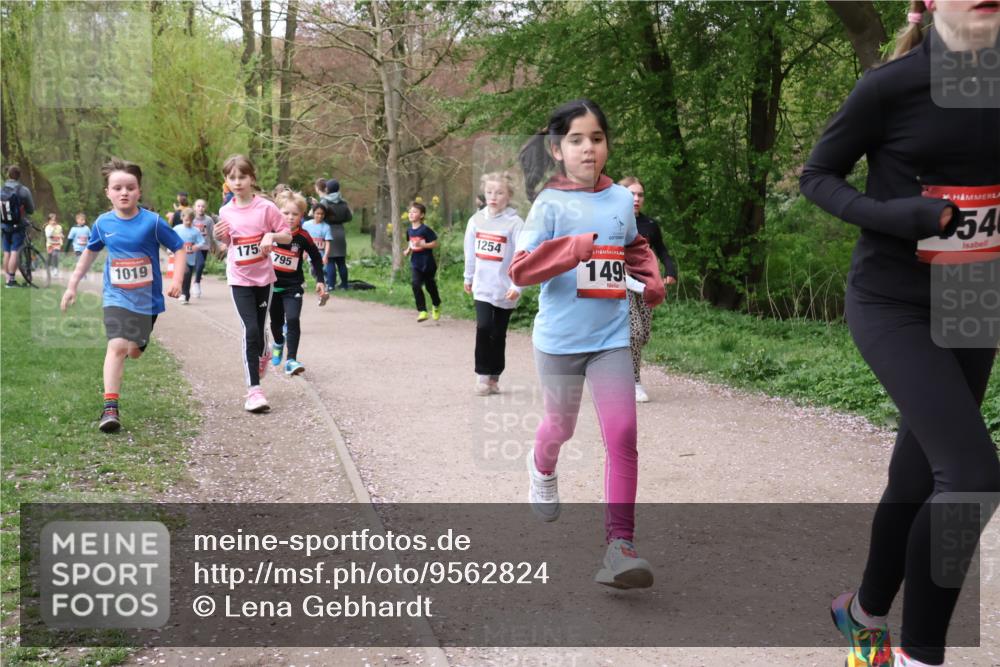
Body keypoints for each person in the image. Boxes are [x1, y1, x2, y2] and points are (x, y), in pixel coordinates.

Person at [799, 2, 1000, 665]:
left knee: (919, 476)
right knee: (971, 475)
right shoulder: (889, 86)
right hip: (894, 301)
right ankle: (920, 654)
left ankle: (859, 614)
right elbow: (817, 177)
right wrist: (895, 215)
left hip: (974, 296)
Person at [508, 98, 664, 589]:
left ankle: (620, 546)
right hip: (558, 342)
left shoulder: (619, 198)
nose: (588, 149)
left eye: (597, 138)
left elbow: (634, 244)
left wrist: (651, 275)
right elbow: (521, 269)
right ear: (557, 150)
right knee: (560, 425)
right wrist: (572, 248)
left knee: (622, 436)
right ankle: (541, 464)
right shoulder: (549, 205)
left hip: (611, 338)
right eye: (576, 140)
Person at [60, 157, 185, 433]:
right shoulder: (103, 223)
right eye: (117, 188)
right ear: (108, 193)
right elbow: (89, 254)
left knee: (134, 351)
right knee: (116, 345)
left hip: (147, 302)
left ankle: (133, 347)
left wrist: (177, 279)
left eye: (130, 187)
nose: (124, 192)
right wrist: (72, 285)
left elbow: (179, 246)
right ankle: (110, 408)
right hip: (115, 297)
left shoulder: (152, 222)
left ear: (139, 191)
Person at [213, 154, 291, 413]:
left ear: (252, 179)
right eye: (232, 177)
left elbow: (287, 235)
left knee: (260, 327)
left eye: (242, 177)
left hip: (264, 277)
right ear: (226, 181)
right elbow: (227, 244)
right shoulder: (225, 211)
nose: (237, 182)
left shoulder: (266, 208)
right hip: (239, 277)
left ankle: (264, 351)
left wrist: (270, 235)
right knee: (250, 330)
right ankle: (254, 391)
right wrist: (219, 238)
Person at [463, 171, 524, 395]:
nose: (493, 197)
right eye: (489, 192)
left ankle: (494, 376)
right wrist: (468, 277)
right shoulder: (476, 220)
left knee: (498, 333)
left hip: (505, 288)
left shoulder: (515, 223)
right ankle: (482, 375)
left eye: (499, 193)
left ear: (508, 195)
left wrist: (518, 286)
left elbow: (522, 255)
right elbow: (470, 252)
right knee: (483, 327)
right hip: (482, 287)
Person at [617, 176, 677, 403]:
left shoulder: (649, 225)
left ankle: (617, 371)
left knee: (642, 336)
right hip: (620, 282)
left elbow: (661, 250)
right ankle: (634, 382)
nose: (636, 198)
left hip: (646, 283)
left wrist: (671, 271)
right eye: (631, 194)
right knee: (634, 332)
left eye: (640, 194)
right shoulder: (612, 222)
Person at [269, 191, 328, 376]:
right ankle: (278, 342)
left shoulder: (303, 236)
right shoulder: (270, 233)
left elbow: (317, 258)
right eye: (286, 213)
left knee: (293, 319)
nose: (290, 218)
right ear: (278, 213)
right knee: (276, 322)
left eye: (295, 214)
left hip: (293, 285)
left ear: (301, 216)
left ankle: (291, 360)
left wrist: (320, 280)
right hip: (271, 286)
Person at [403, 201, 441, 322]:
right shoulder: (409, 230)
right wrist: (408, 250)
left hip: (428, 262)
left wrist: (424, 245)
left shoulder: (425, 230)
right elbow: (411, 242)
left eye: (414, 212)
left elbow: (435, 243)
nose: (411, 214)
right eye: (410, 212)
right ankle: (422, 311)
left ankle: (436, 304)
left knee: (430, 286)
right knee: (415, 284)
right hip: (416, 262)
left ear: (422, 215)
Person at [2, 165, 36, 287]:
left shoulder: (2, 189)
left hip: (4, 225)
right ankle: (11, 280)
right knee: (15, 251)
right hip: (18, 225)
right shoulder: (23, 190)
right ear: (19, 175)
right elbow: (31, 209)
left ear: (8, 175)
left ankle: (7, 279)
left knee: (6, 252)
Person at [319, 178, 352, 290]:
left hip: (328, 230)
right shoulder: (343, 202)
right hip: (340, 231)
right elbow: (349, 217)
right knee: (341, 261)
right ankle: (344, 285)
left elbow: (319, 216)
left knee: (330, 260)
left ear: (328, 189)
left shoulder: (324, 202)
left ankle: (331, 285)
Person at [172, 208, 207, 305]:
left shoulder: (195, 231)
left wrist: (196, 246)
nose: (188, 222)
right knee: (184, 274)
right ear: (182, 218)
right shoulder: (177, 229)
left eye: (191, 220)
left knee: (187, 276)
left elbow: (202, 241)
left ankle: (186, 295)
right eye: (186, 220)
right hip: (179, 257)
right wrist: (169, 249)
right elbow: (171, 240)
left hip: (190, 258)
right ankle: (183, 293)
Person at [302, 203, 334, 303]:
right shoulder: (306, 225)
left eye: (322, 214)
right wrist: (304, 251)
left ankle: (323, 292)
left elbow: (328, 243)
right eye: (317, 213)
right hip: (308, 254)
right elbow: (302, 239)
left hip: (319, 255)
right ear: (313, 213)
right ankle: (323, 289)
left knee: (317, 272)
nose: (319, 216)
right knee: (314, 272)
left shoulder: (326, 227)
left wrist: (326, 256)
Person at [191, 199, 215, 298]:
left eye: (203, 206)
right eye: (198, 206)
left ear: (205, 208)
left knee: (200, 265)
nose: (200, 208)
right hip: (195, 246)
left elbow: (212, 234)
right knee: (200, 264)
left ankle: (195, 281)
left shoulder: (208, 220)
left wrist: (215, 245)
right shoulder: (192, 219)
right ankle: (196, 283)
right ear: (194, 208)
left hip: (205, 246)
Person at [44, 212, 64, 278]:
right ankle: (48, 268)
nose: (53, 222)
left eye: (54, 220)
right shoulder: (47, 227)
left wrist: (61, 236)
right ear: (49, 221)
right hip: (50, 244)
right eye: (52, 220)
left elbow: (60, 234)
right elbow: (48, 235)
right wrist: (52, 228)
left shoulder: (59, 227)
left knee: (55, 255)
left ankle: (55, 269)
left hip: (57, 244)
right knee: (49, 257)